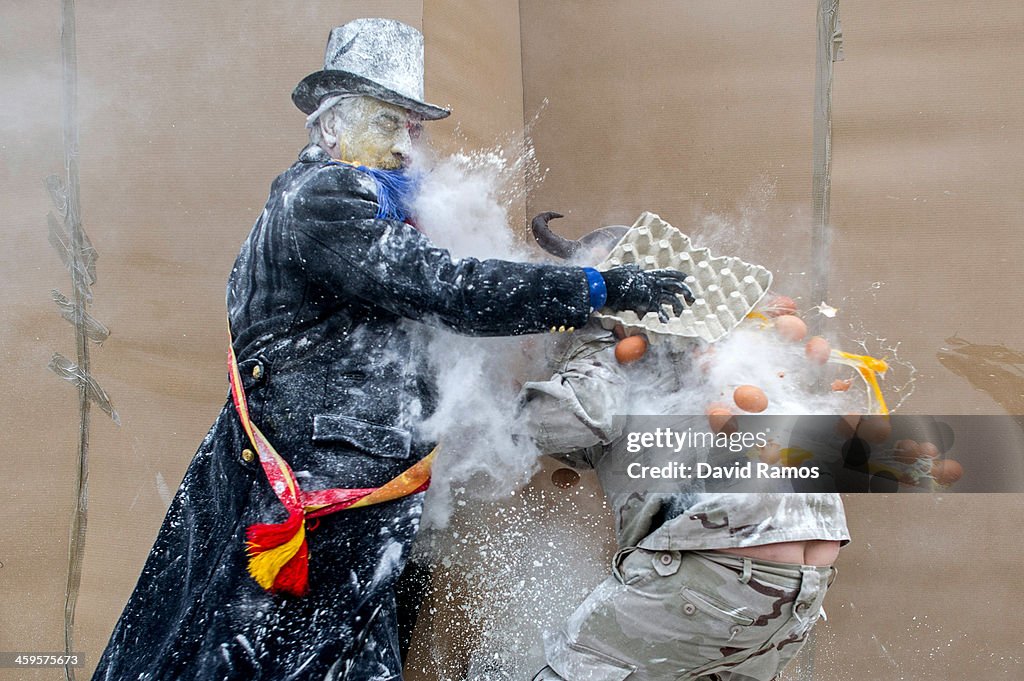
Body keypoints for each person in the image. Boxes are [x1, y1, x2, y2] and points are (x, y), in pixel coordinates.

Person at [91, 18, 693, 681]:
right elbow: (450, 289)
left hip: (345, 494)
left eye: (413, 127)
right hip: (324, 501)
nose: (407, 146)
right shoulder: (326, 196)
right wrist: (598, 286)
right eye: (388, 124)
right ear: (329, 126)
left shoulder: (337, 204)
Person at [518, 217, 850, 681]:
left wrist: (584, 343)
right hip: (803, 583)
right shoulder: (732, 335)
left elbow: (558, 424)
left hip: (721, 571)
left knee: (574, 670)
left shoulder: (624, 342)